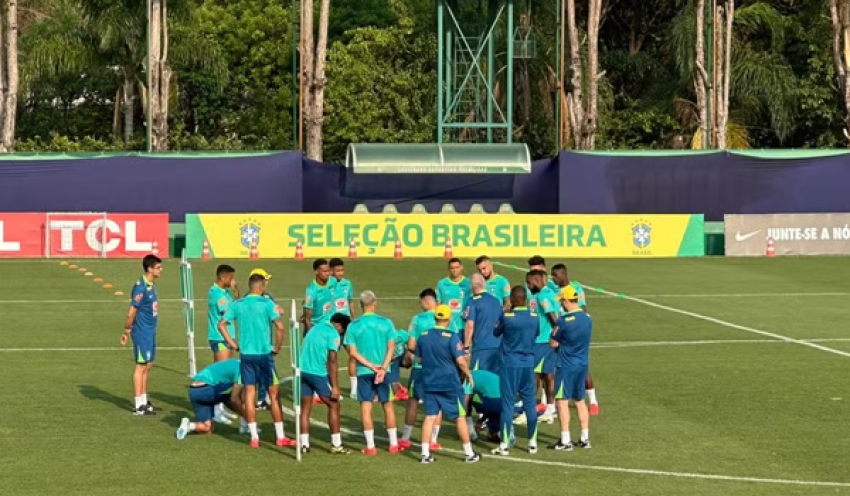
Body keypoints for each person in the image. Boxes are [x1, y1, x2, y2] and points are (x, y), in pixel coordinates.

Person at [219, 273, 296, 449]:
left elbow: (221, 324)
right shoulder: (267, 304)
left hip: (246, 355)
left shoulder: (239, 304)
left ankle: (254, 437)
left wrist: (233, 344)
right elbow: (280, 327)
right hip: (263, 355)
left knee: (249, 394)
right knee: (274, 395)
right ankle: (280, 436)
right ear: (261, 287)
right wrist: (277, 347)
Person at [415, 304, 481, 464]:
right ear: (449, 318)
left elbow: (419, 359)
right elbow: (460, 360)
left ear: (435, 317)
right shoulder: (452, 337)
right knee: (459, 417)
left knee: (429, 417)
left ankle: (424, 454)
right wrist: (468, 373)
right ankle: (469, 453)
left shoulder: (423, 336)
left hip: (430, 382)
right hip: (449, 383)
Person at [344, 290, 401, 455]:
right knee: (388, 405)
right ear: (374, 302)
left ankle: (370, 447)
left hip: (364, 371)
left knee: (366, 407)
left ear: (361, 305)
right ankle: (393, 444)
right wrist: (382, 368)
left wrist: (370, 366)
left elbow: (352, 353)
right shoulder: (386, 323)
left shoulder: (354, 326)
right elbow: (392, 347)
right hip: (384, 371)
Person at [491, 286, 539, 456]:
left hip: (510, 363)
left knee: (508, 403)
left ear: (512, 298)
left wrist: (503, 312)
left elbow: (495, 331)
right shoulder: (534, 317)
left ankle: (504, 444)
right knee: (529, 402)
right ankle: (532, 442)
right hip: (528, 363)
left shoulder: (507, 317)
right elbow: (536, 334)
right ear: (525, 299)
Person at [399, 288, 448, 451]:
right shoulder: (446, 318)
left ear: (427, 301)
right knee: (437, 402)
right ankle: (433, 440)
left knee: (413, 400)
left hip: (420, 367)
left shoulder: (418, 319)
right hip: (440, 368)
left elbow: (411, 344)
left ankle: (406, 437)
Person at [298, 313, 353, 454]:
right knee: (334, 404)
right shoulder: (333, 334)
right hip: (317, 372)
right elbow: (332, 361)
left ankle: (304, 444)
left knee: (305, 408)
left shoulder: (315, 328)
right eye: (342, 331)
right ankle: (336, 444)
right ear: (339, 326)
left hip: (302, 371)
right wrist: (335, 386)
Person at [548, 285, 593, 450]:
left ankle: (565, 440)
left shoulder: (563, 321)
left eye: (562, 301)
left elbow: (553, 343)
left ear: (567, 301)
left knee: (562, 401)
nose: (561, 304)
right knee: (580, 400)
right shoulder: (588, 318)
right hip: (582, 364)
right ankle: (585, 438)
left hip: (566, 365)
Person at [551, 263, 599, 416]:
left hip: (572, 332)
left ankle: (592, 400)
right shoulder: (553, 290)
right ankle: (550, 404)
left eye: (555, 276)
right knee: (554, 368)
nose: (553, 279)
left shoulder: (576, 289)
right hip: (561, 331)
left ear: (563, 275)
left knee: (580, 368)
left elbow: (583, 309)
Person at [119, 254, 162, 416]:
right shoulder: (141, 287)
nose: (161, 270)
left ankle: (144, 400)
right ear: (149, 269)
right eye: (158, 267)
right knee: (140, 366)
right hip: (142, 332)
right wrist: (127, 330)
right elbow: (131, 312)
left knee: (148, 365)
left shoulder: (151, 285)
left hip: (150, 331)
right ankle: (138, 405)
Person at [519, 269, 559, 425]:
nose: (528, 286)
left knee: (532, 376)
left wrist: (556, 335)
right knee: (548, 376)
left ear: (535, 281)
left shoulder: (542, 296)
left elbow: (553, 318)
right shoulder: (550, 293)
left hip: (541, 341)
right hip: (547, 341)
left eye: (529, 283)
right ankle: (550, 410)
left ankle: (528, 411)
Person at [176, 359, 243, 439]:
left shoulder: (232, 362)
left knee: (208, 428)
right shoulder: (242, 369)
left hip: (193, 391)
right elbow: (233, 398)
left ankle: (189, 426)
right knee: (238, 391)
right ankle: (245, 425)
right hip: (206, 390)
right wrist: (247, 416)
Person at [206, 264, 240, 424]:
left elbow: (236, 304)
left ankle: (220, 407)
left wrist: (235, 291)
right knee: (220, 375)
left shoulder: (224, 292)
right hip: (220, 338)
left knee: (225, 374)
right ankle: (215, 410)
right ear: (223, 278)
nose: (233, 280)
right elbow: (231, 313)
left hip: (227, 337)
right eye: (231, 278)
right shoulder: (217, 295)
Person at [328, 258, 359, 400]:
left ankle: (354, 389)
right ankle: (330, 386)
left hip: (346, 324)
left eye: (342, 270)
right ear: (331, 271)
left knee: (353, 354)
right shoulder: (327, 285)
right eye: (337, 270)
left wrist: (354, 318)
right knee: (331, 357)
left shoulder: (348, 284)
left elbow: (350, 301)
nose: (340, 273)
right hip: (333, 325)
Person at [464, 273, 503, 373]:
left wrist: (466, 347)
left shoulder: (472, 301)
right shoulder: (496, 301)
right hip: (497, 346)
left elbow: (470, 325)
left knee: (478, 380)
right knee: (494, 380)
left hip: (481, 348)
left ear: (472, 287)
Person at [250, 268, 278, 411]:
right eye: (264, 279)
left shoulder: (267, 297)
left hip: (261, 342)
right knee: (268, 373)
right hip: (260, 344)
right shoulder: (262, 299)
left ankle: (263, 398)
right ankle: (264, 398)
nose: (266, 282)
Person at [467, 369, 510, 444]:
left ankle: (470, 432)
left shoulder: (467, 378)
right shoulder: (478, 374)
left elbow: (465, 401)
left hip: (495, 402)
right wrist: (481, 421)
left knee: (466, 397)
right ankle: (501, 432)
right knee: (494, 414)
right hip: (505, 404)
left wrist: (462, 421)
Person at [436, 257, 472, 331]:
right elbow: (438, 304)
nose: (454, 270)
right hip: (446, 326)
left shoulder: (469, 283)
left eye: (457, 267)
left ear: (461, 267)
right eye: (452, 268)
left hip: (463, 326)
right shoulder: (442, 283)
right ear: (449, 269)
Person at [303, 258, 337, 334]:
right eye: (324, 271)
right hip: (316, 329)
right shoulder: (311, 291)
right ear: (316, 271)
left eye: (328, 271)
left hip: (330, 326)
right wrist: (311, 336)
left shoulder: (333, 281)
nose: (327, 274)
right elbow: (307, 319)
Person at [385, 328, 410, 401]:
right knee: (392, 368)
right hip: (388, 360)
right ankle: (397, 391)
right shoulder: (382, 340)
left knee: (412, 356)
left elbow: (413, 345)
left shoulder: (402, 335)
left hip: (398, 357)